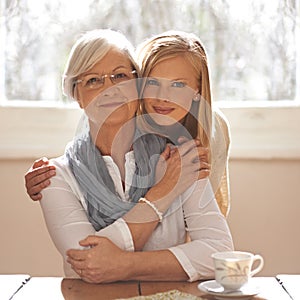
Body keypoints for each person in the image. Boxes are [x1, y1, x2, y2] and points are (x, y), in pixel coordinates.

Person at [24, 29, 233, 283]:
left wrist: (125, 265)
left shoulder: (179, 157)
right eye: (93, 80)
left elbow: (219, 252)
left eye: (120, 76)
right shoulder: (54, 177)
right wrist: (162, 194)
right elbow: (83, 262)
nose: (109, 89)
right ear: (76, 95)